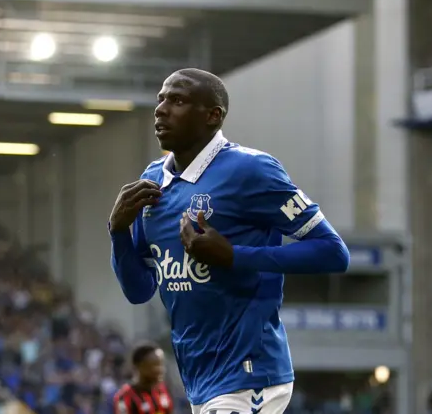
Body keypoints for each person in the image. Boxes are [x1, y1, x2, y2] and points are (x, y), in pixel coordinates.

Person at [107, 68, 350, 414]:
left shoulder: (252, 170)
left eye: (177, 100)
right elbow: (140, 291)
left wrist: (234, 255)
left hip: (250, 373)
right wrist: (118, 232)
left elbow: (333, 252)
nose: (161, 109)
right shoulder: (152, 182)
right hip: (200, 377)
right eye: (161, 99)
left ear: (212, 115)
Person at [113, 342, 174, 414]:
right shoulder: (125, 397)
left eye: (161, 364)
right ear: (138, 367)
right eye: (154, 365)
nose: (160, 370)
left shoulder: (163, 390)